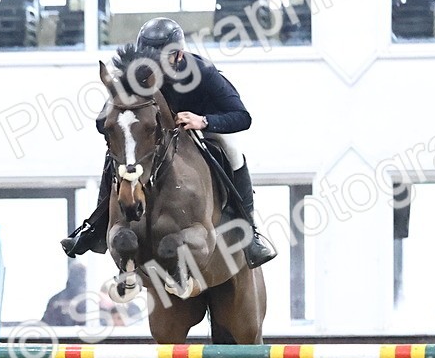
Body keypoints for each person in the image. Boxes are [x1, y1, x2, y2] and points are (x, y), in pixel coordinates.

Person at [60, 17, 277, 269]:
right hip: (155, 137)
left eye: (161, 59)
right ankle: (96, 227)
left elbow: (242, 116)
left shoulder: (202, 72)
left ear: (179, 55)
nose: (154, 68)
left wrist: (204, 121)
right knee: (118, 156)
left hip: (201, 128)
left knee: (233, 150)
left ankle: (250, 231)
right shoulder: (136, 75)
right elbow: (103, 122)